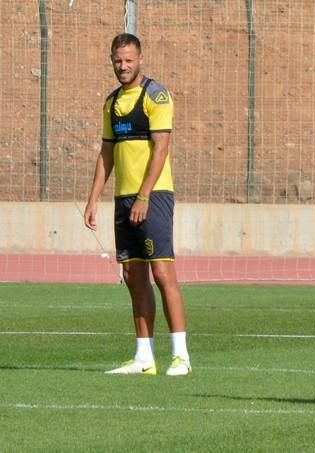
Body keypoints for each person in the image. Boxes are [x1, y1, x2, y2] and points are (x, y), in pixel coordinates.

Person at [84, 33, 191, 376]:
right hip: (123, 199)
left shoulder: (156, 96)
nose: (123, 66)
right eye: (118, 60)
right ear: (111, 60)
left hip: (154, 196)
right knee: (132, 275)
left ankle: (181, 356)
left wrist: (144, 195)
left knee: (162, 273)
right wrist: (93, 198)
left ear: (140, 58)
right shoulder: (111, 102)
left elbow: (161, 148)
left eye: (129, 60)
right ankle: (144, 357)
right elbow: (107, 153)